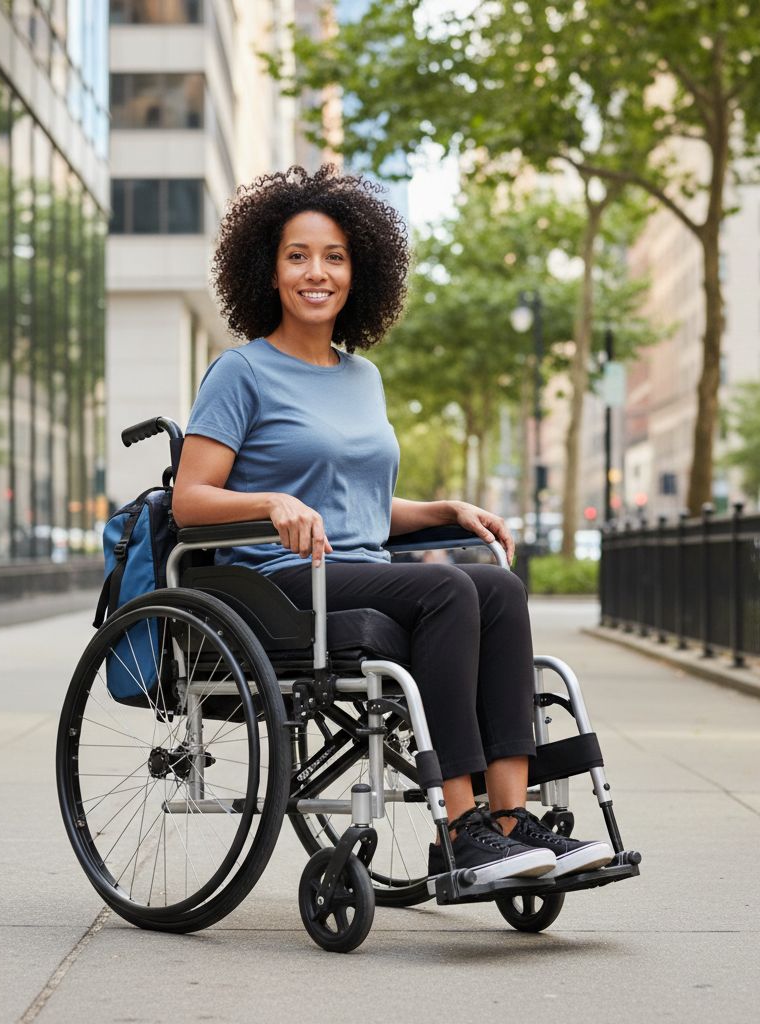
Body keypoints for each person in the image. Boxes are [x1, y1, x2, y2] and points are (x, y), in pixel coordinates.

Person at [172, 165, 611, 884]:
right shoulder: (240, 373)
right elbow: (190, 500)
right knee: (451, 592)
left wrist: (442, 511)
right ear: (269, 270)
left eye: (335, 257)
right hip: (282, 585)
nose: (318, 272)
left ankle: (509, 822)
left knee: (498, 589)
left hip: (359, 571)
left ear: (358, 271)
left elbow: (360, 507)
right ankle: (460, 826)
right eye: (298, 255)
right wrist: (270, 503)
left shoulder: (362, 377)